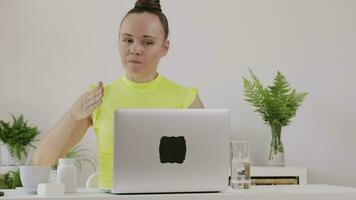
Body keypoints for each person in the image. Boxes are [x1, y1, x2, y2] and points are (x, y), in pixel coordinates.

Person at [33, 0, 204, 189]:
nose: (135, 49)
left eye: (147, 42)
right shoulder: (98, 97)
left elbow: (208, 163)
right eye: (128, 40)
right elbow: (41, 161)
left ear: (165, 48)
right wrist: (73, 115)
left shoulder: (186, 98)